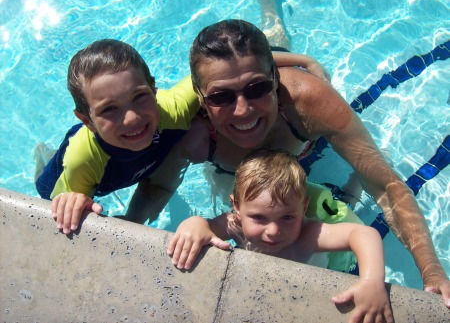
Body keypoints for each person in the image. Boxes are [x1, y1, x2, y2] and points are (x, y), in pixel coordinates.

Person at [162, 18, 449, 307]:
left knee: (276, 41)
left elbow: (387, 187)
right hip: (244, 166)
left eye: (257, 88)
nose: (243, 110)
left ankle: (271, 15)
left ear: (274, 79)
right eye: (221, 96)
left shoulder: (310, 102)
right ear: (200, 98)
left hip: (294, 123)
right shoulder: (193, 136)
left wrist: (432, 271)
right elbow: (158, 186)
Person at [34, 38, 328, 235]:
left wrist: (305, 60)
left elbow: (239, 67)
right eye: (110, 109)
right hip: (85, 174)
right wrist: (70, 201)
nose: (132, 117)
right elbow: (67, 214)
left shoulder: (173, 108)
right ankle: (42, 156)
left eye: (139, 97)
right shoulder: (82, 159)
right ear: (87, 120)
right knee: (47, 190)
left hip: (139, 165)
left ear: (154, 88)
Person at [168, 149, 394, 323]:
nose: (273, 231)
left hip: (334, 261)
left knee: (347, 203)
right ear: (236, 207)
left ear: (304, 208)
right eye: (259, 217)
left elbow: (364, 234)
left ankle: (358, 177)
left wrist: (371, 282)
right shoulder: (234, 224)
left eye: (287, 217)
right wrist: (193, 224)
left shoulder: (310, 235)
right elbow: (204, 226)